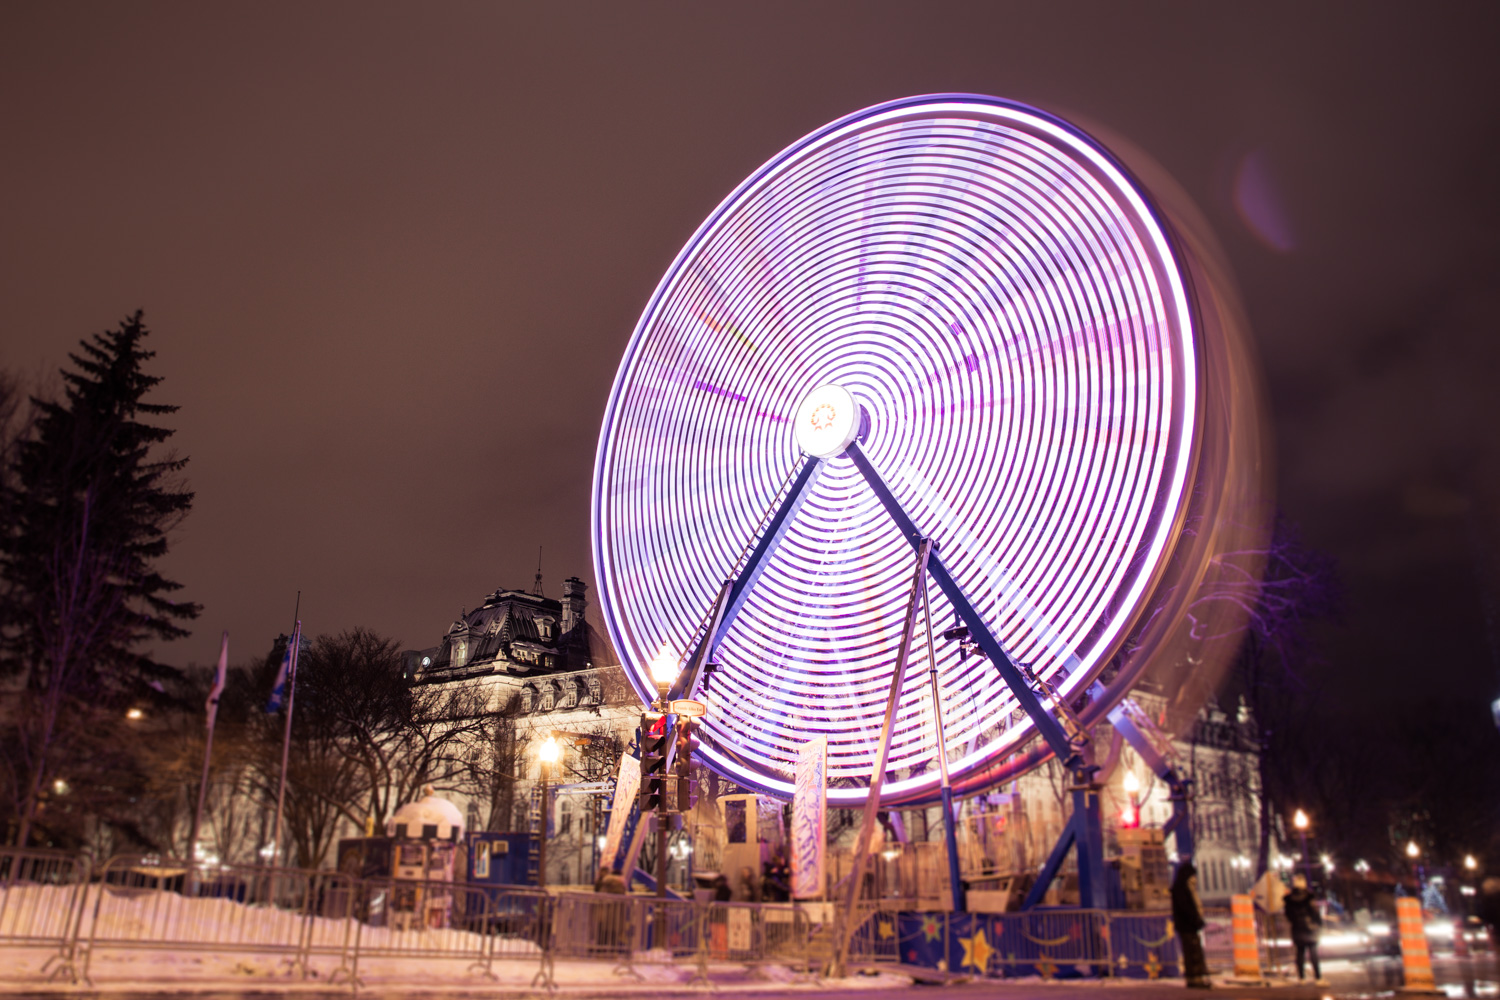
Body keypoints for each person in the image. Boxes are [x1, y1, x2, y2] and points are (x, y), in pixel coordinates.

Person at [1171, 860, 1212, 988]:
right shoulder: (1182, 889)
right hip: (1187, 925)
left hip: (1188, 924)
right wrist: (1195, 919)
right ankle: (1194, 977)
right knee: (1192, 951)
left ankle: (1196, 976)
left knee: (1194, 951)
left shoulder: (1184, 887)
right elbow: (1186, 907)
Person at [1283, 874, 1325, 985]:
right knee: (1313, 953)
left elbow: (1288, 915)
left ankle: (1301, 977)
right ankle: (1318, 977)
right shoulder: (1309, 897)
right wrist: (1319, 924)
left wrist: (1295, 922)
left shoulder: (1289, 899)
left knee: (1300, 953)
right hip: (1310, 927)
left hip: (1297, 927)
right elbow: (1314, 912)